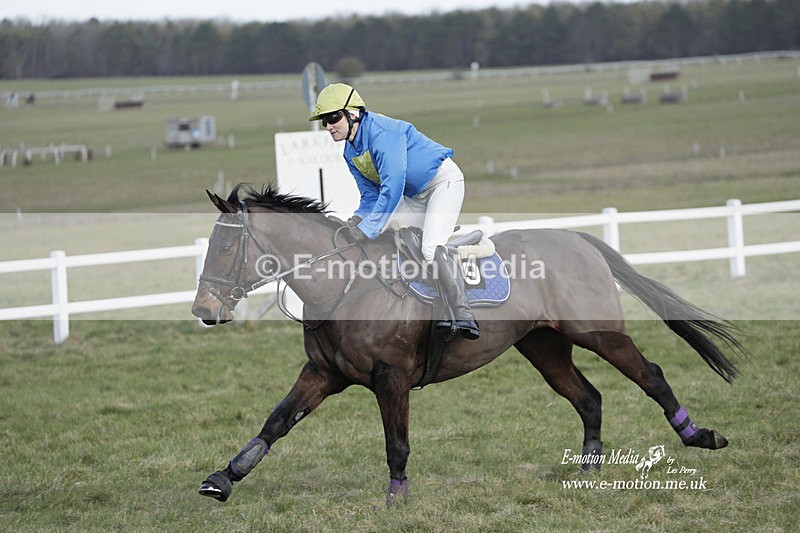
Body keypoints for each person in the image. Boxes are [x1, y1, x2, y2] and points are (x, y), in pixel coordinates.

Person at [308, 83, 479, 340]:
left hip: (442, 184)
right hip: (413, 196)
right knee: (380, 237)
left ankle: (463, 313)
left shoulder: (382, 133)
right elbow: (370, 196)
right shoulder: (349, 151)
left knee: (430, 248)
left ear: (353, 114)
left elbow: (393, 185)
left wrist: (367, 228)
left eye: (333, 117)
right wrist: (354, 222)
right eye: (324, 120)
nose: (328, 126)